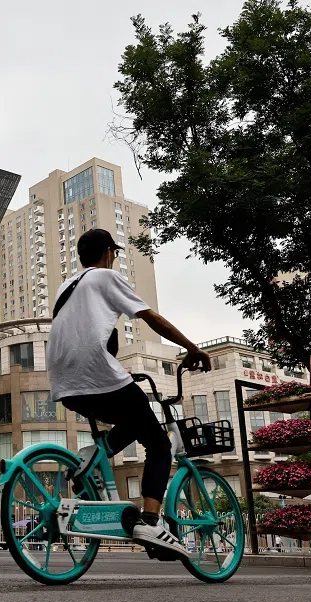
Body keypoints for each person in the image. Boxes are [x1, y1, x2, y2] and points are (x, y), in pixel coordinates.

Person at [46, 228, 211, 559]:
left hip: (63, 381)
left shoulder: (67, 287)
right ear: (108, 252)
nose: (115, 259)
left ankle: (92, 456)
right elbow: (151, 317)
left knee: (134, 420)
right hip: (95, 372)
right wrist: (191, 347)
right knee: (159, 443)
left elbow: (86, 331)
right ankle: (150, 521)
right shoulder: (104, 277)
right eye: (115, 253)